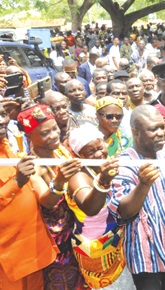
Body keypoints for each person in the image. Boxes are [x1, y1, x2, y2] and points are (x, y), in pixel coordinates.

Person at [108, 105, 165, 289]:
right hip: (145, 251)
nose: (160, 133)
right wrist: (143, 185)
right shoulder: (125, 164)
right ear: (136, 132)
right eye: (153, 129)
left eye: (162, 127)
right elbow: (125, 212)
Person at [18, 104, 85, 289]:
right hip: (56, 249)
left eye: (54, 129)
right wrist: (60, 181)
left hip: (78, 240)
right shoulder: (32, 165)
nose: (54, 135)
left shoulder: (62, 151)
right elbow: (46, 201)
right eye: (45, 133)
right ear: (29, 136)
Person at [0, 103, 59, 290]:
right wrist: (17, 181)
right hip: (7, 256)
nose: (2, 120)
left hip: (31, 248)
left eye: (3, 114)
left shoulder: (7, 145)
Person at [65, 124, 130, 289]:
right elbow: (91, 208)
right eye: (90, 152)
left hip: (117, 242)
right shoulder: (78, 177)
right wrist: (104, 181)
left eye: (100, 147)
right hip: (94, 250)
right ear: (79, 155)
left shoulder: (110, 166)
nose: (99, 154)